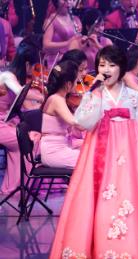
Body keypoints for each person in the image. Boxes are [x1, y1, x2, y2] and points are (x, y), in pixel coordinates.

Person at [49, 46, 138, 258]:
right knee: (99, 204)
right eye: (102, 64)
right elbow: (82, 122)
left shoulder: (134, 97)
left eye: (111, 65)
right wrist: (94, 93)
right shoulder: (94, 95)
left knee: (128, 202)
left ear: (121, 68)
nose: (106, 69)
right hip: (100, 155)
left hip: (127, 159)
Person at [0, 39, 45, 193]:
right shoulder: (7, 75)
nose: (35, 71)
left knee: (30, 138)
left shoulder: (16, 77)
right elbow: (21, 93)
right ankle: (16, 186)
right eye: (34, 67)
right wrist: (43, 97)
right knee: (26, 139)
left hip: (7, 122)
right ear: (26, 65)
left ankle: (18, 186)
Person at [40, 60, 82, 169]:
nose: (77, 85)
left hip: (57, 148)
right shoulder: (57, 99)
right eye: (76, 82)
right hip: (54, 152)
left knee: (92, 151)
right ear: (68, 84)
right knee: (92, 159)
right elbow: (74, 122)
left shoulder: (57, 98)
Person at [69, 8, 112, 73]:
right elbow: (70, 63)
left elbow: (114, 61)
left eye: (102, 25)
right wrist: (81, 48)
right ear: (87, 27)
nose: (101, 29)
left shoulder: (107, 41)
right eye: (97, 26)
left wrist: (98, 45)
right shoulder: (76, 42)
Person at [42, 0, 82, 67]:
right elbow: (46, 45)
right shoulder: (51, 20)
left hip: (71, 60)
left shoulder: (76, 19)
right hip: (55, 62)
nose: (68, 2)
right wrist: (67, 43)